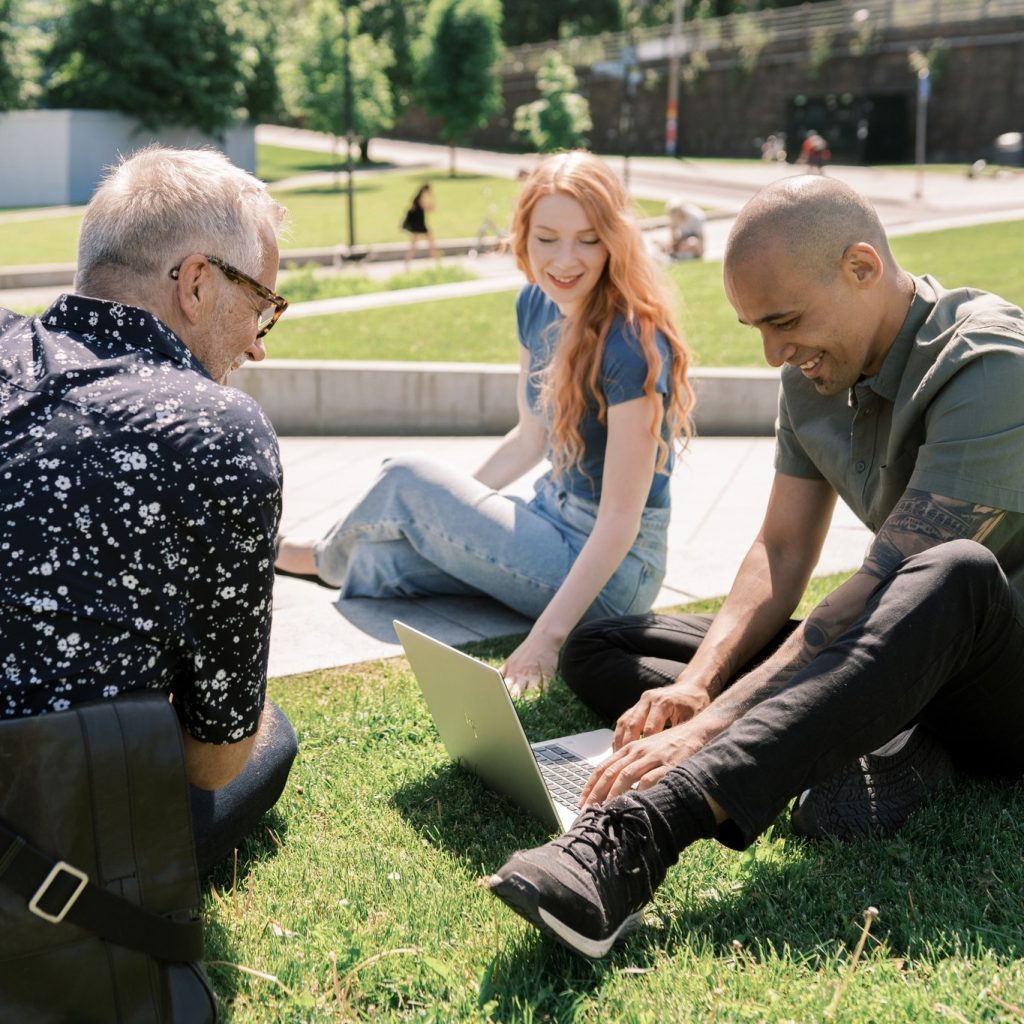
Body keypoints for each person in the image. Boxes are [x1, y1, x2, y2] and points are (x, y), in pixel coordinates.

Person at [486, 174, 1024, 958]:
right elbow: (779, 549)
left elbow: (878, 586)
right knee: (604, 650)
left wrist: (705, 729)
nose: (776, 353)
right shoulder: (812, 374)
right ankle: (886, 739)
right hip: (903, 651)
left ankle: (638, 837)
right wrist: (700, 683)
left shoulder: (987, 362)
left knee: (956, 571)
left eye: (786, 321)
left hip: (1001, 673)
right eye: (757, 329)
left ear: (862, 267)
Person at [276, 151, 694, 694]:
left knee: (404, 476)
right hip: (548, 520)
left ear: (614, 239)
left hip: (617, 571)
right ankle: (320, 559)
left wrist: (546, 639)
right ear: (523, 235)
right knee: (380, 563)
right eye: (547, 238)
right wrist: (455, 515)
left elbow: (620, 520)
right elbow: (528, 439)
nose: (565, 260)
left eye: (588, 239)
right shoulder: (536, 304)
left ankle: (303, 553)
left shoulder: (631, 343)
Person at [0, 145, 298, 875]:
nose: (258, 347)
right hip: (45, 846)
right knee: (269, 733)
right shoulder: (216, 432)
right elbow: (213, 758)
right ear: (197, 283)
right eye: (262, 305)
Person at [402, 182, 439, 267]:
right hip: (419, 226)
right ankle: (436, 263)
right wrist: (432, 198)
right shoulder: (422, 198)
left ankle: (435, 262)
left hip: (418, 226)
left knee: (422, 244)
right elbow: (429, 209)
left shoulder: (417, 198)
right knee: (429, 243)